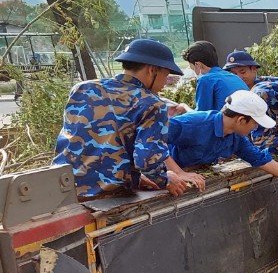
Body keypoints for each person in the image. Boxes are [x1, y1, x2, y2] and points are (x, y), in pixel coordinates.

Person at [54, 38, 206, 200]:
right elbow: (147, 160)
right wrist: (166, 180)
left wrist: (137, 177)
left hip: (62, 188)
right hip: (108, 196)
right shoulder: (151, 103)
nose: (165, 82)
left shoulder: (83, 88)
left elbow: (80, 143)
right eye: (166, 74)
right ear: (151, 70)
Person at [167, 91, 278, 191]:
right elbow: (150, 140)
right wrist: (178, 173)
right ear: (241, 120)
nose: (255, 128)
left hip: (192, 174)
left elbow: (263, 161)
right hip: (164, 174)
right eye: (255, 123)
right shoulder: (193, 124)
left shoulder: (236, 137)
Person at [183, 41, 246, 112]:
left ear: (197, 65)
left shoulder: (205, 79)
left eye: (191, 68)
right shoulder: (233, 77)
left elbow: (201, 116)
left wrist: (184, 107)